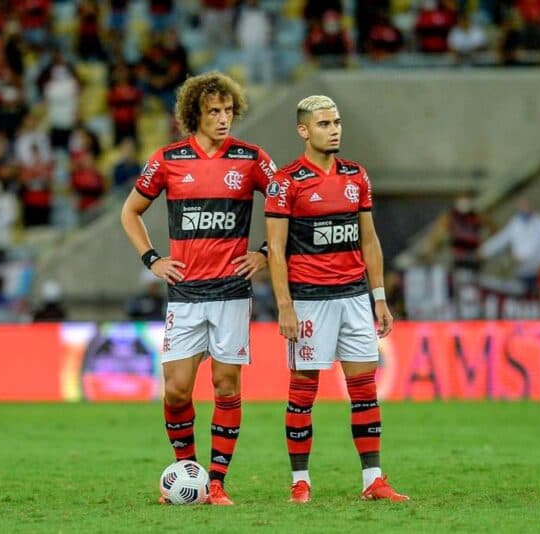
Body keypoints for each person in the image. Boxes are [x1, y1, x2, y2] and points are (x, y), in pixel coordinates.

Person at [120, 71, 277, 505]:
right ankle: (187, 471)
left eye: (228, 110)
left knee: (226, 386)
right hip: (186, 293)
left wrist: (264, 252)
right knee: (176, 389)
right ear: (195, 115)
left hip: (231, 292)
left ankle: (217, 483)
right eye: (213, 111)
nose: (223, 118)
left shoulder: (251, 158)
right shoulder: (168, 160)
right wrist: (152, 259)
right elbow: (130, 212)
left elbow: (287, 203)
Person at [264, 95, 408, 504]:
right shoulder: (286, 182)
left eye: (337, 122)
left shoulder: (356, 176)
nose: (334, 130)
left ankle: (373, 480)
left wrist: (379, 297)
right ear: (303, 130)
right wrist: (285, 305)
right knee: (302, 391)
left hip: (354, 298)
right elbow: (276, 249)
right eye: (324, 124)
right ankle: (300, 481)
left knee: (364, 389)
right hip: (310, 301)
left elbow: (369, 240)